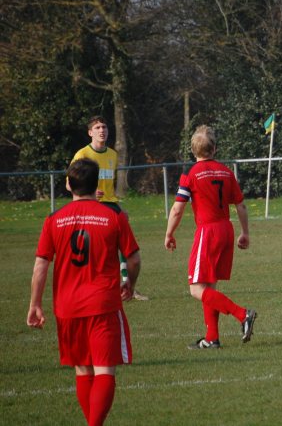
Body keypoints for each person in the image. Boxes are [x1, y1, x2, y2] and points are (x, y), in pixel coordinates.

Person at [27, 158, 141, 426]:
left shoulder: (53, 220)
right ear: (97, 184)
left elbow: (40, 266)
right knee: (104, 371)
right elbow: (134, 259)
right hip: (103, 304)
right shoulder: (114, 216)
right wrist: (131, 284)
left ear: (68, 184)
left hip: (67, 307)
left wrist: (34, 304)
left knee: (82, 369)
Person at [165, 125, 257, 349]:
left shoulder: (191, 172)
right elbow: (241, 205)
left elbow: (177, 209)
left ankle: (242, 314)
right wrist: (245, 232)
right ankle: (212, 338)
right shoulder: (226, 171)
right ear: (214, 149)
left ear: (192, 149)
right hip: (226, 229)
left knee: (196, 289)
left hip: (208, 231)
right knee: (209, 288)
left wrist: (169, 233)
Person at [73, 116, 149, 300]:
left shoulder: (113, 155)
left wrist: (118, 206)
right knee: (94, 247)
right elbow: (70, 183)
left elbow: (110, 188)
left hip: (110, 204)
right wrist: (87, 192)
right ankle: (89, 286)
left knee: (126, 242)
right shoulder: (82, 155)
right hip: (89, 204)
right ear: (90, 132)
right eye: (97, 127)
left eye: (104, 127)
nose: (102, 130)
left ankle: (127, 286)